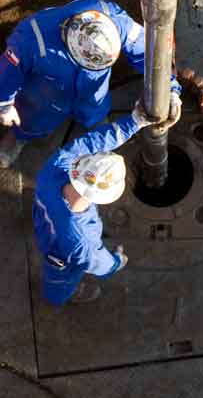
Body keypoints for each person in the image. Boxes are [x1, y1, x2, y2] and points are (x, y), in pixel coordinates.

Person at [0, 0, 182, 168]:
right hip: (45, 95)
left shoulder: (114, 19)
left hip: (93, 92)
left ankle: (99, 131)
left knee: (94, 114)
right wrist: (4, 106)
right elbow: (7, 73)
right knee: (32, 120)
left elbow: (151, 55)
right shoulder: (30, 39)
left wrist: (171, 88)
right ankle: (21, 136)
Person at [34, 103, 167, 305]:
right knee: (61, 279)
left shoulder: (58, 164)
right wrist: (116, 262)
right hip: (60, 257)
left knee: (46, 226)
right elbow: (96, 262)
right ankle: (57, 296)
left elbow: (94, 141)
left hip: (43, 219)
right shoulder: (81, 241)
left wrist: (134, 122)